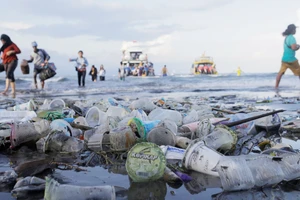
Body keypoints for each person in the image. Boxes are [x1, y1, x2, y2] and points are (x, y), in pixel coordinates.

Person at [276, 24, 300, 88]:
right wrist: (298, 47)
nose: (295, 31)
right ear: (292, 30)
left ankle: (276, 86)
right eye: (295, 29)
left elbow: (290, 46)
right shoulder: (292, 38)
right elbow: (293, 48)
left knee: (280, 73)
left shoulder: (286, 38)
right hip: (291, 60)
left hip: (284, 59)